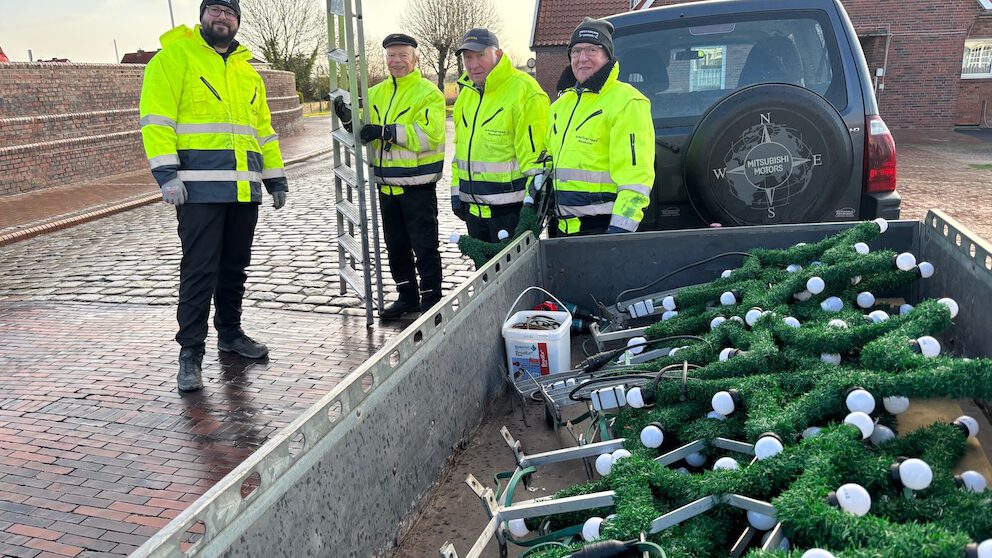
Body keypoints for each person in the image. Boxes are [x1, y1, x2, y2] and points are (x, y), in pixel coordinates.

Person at [139, 0, 289, 392]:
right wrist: (166, 175)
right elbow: (156, 120)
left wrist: (275, 179)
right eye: (215, 10)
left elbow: (263, 131)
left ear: (237, 21)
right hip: (198, 191)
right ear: (203, 15)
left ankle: (231, 334)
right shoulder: (174, 58)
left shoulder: (247, 72)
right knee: (199, 271)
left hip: (243, 190)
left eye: (230, 12)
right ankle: (190, 354)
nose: (222, 17)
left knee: (234, 268)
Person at [334, 34, 445, 319]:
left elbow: (430, 135)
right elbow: (362, 130)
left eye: (402, 55)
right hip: (386, 188)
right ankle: (406, 296)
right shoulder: (377, 93)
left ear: (415, 58)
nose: (396, 61)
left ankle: (432, 299)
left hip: (417, 187)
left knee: (424, 246)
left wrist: (388, 132)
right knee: (395, 247)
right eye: (391, 56)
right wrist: (348, 118)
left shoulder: (428, 93)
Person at [546, 18, 655, 236]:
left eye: (591, 50)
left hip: (601, 230)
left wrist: (618, 233)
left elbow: (636, 179)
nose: (582, 58)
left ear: (607, 56)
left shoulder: (628, 102)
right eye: (576, 51)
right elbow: (548, 160)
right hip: (560, 230)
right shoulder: (560, 106)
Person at [451, 28, 549, 242]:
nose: (473, 64)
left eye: (480, 55)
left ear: (498, 54)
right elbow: (460, 151)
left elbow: (537, 161)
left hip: (510, 214)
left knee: (512, 276)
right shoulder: (466, 93)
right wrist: (456, 193)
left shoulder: (524, 91)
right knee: (484, 274)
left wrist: (531, 207)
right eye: (468, 57)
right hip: (474, 213)